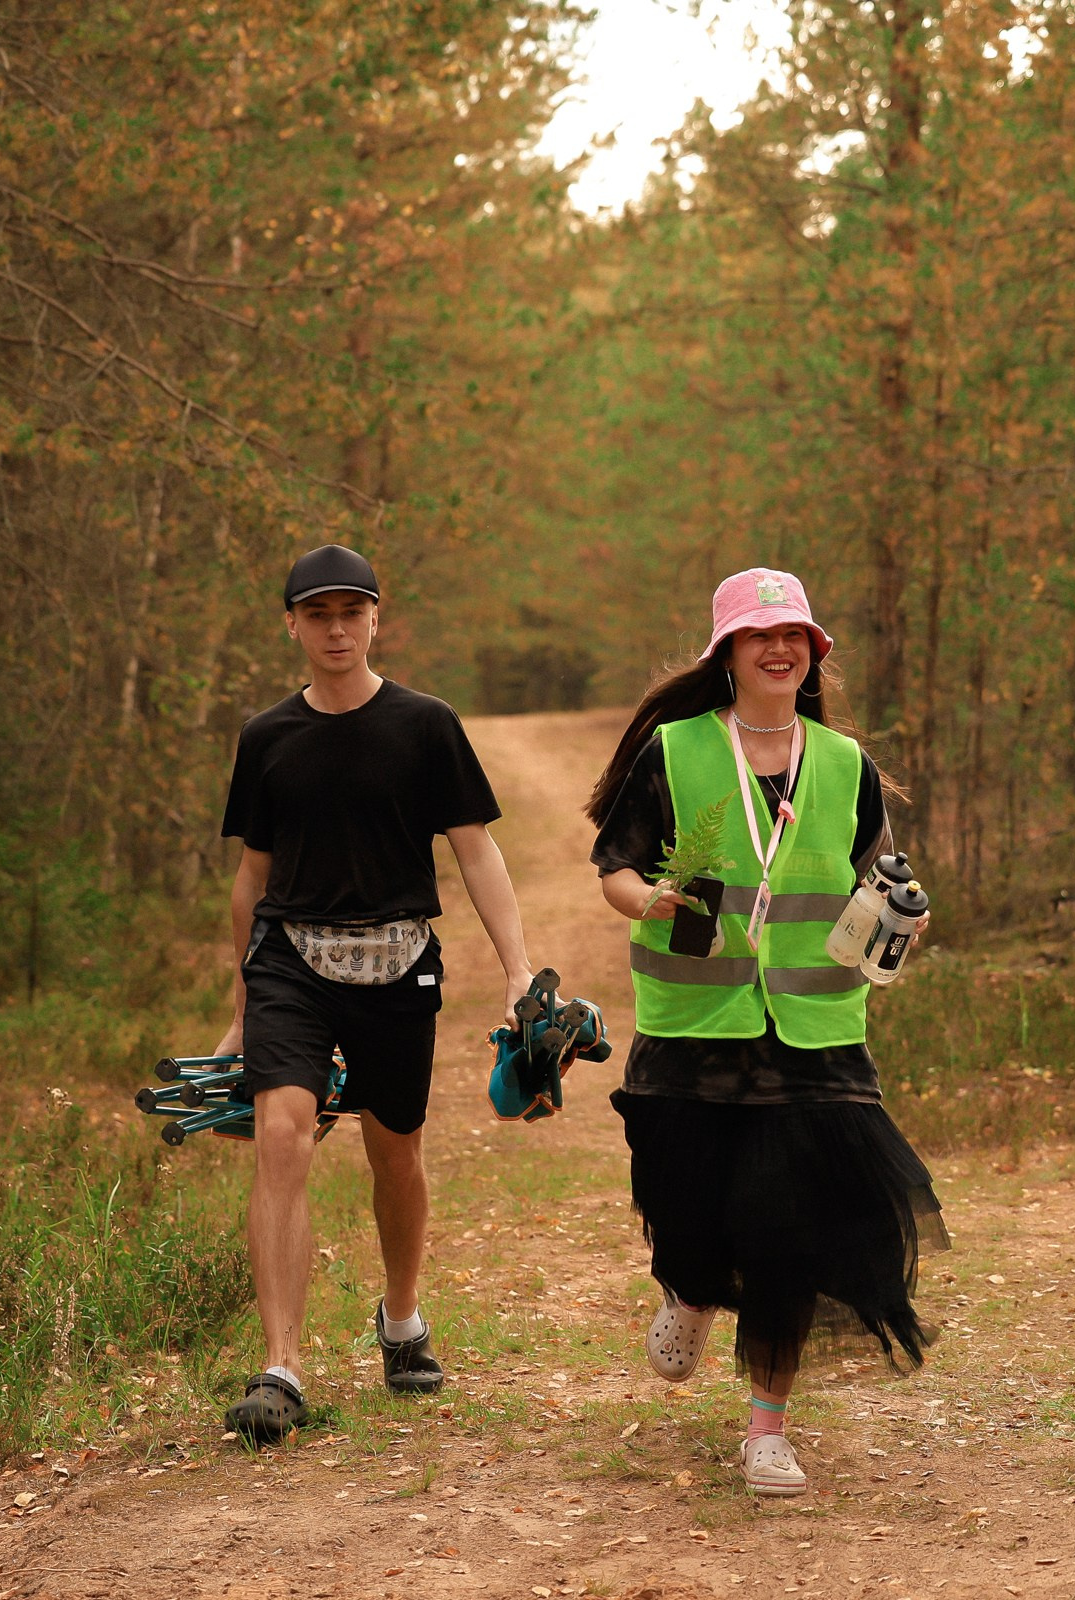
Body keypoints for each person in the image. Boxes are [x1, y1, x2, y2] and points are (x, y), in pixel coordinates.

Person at [585, 567, 944, 1499]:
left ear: (813, 654)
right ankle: (692, 1290)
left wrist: (900, 919)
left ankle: (768, 1433)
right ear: (729, 653)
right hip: (694, 1030)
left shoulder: (845, 765)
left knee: (790, 1230)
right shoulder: (673, 752)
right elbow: (615, 869)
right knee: (692, 1213)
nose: (781, 650)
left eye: (796, 638)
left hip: (816, 1036)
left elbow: (873, 878)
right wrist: (652, 899)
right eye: (760, 637)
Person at [214, 543, 537, 1445]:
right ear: (292, 625)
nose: (335, 629)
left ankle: (401, 1321)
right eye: (317, 614)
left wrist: (517, 970)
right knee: (282, 1132)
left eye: (350, 612)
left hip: (399, 965)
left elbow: (476, 848)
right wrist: (241, 1003)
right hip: (291, 962)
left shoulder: (426, 725)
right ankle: (281, 1367)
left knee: (394, 1153)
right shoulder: (266, 736)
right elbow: (251, 875)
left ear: (375, 619)